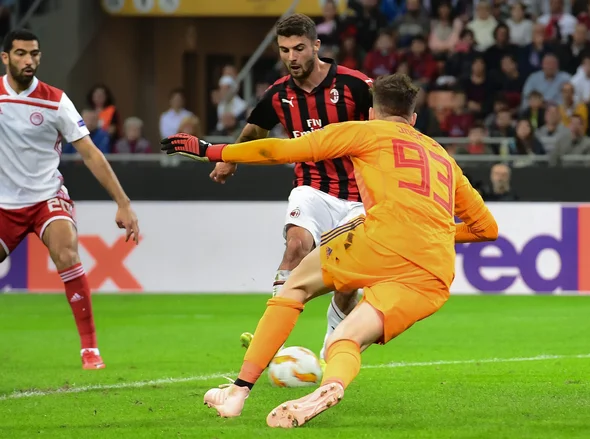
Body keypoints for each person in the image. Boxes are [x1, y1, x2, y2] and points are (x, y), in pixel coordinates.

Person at [161, 73, 498, 428]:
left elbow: (280, 149)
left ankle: (237, 393)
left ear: (371, 113)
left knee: (295, 287)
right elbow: (487, 229)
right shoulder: (443, 157)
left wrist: (211, 150)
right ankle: (332, 385)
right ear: (413, 119)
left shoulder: (363, 130)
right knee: (344, 339)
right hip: (433, 271)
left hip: (380, 242)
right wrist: (433, 232)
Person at [209, 13, 373, 362]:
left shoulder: (355, 86)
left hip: (360, 195)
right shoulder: (278, 94)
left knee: (347, 283)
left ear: (316, 45)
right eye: (284, 50)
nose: (292, 57)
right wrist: (231, 158)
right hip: (311, 187)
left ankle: (333, 338)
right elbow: (256, 130)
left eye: (299, 48)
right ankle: (272, 340)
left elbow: (389, 126)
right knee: (295, 246)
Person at [0, 30, 139, 369]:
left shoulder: (55, 101)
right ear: (5, 58)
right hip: (4, 204)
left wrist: (123, 203)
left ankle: (89, 348)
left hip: (47, 196)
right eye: (20, 54)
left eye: (33, 53)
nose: (28, 60)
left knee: (65, 251)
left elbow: (91, 154)